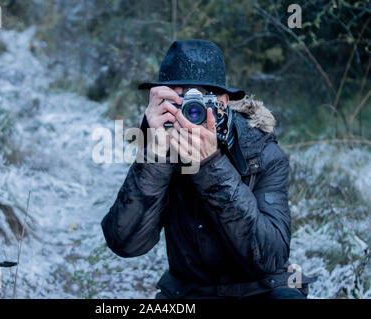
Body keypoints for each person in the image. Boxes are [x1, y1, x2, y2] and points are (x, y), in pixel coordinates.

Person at [101, 40, 315, 299]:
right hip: (191, 290)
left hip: (263, 286)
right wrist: (155, 155)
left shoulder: (261, 151)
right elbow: (125, 243)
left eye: (198, 101)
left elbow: (271, 256)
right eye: (175, 101)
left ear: (222, 103)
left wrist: (211, 163)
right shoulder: (160, 147)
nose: (188, 113)